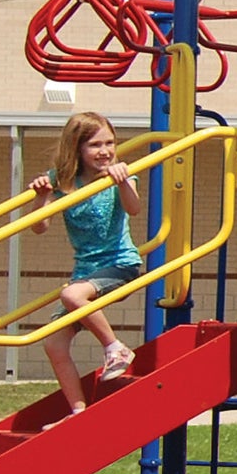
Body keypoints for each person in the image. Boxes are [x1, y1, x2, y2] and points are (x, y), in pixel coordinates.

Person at [22, 109, 146, 408]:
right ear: (76, 147)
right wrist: (42, 197)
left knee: (72, 295)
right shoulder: (62, 180)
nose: (105, 152)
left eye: (110, 143)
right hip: (86, 271)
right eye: (95, 145)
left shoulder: (119, 173)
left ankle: (115, 348)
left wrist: (124, 181)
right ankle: (78, 409)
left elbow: (134, 209)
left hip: (120, 264)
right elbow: (39, 226)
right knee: (54, 343)